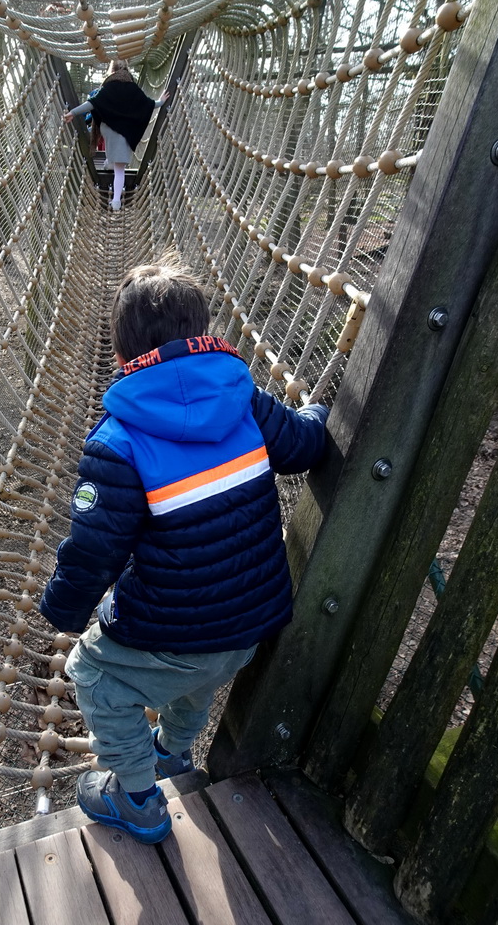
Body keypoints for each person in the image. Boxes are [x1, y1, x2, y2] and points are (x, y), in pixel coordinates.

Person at [39, 259, 328, 843]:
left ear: (123, 353)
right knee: (197, 667)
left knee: (93, 675)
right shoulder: (242, 397)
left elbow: (94, 553)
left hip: (184, 635)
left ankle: (138, 798)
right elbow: (303, 445)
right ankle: (173, 751)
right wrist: (318, 415)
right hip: (250, 627)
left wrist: (63, 611)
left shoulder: (118, 441)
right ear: (203, 331)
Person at [63, 60, 169, 210]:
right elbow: (147, 104)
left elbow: (92, 104)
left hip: (109, 129)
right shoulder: (133, 88)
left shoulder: (108, 87)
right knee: (120, 169)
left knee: (112, 151)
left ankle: (109, 162)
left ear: (112, 71)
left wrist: (72, 113)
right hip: (126, 131)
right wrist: (160, 102)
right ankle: (116, 200)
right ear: (127, 70)